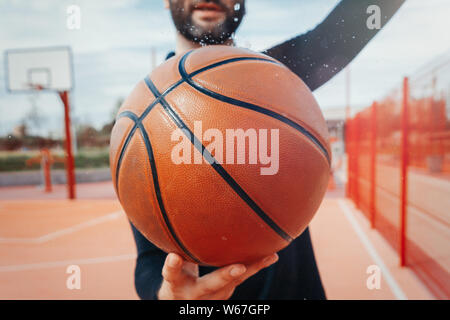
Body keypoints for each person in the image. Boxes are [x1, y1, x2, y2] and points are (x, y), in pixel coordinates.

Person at [130, 0, 405, 300]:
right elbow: (149, 259)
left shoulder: (273, 80)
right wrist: (166, 294)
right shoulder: (143, 118)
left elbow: (347, 25)